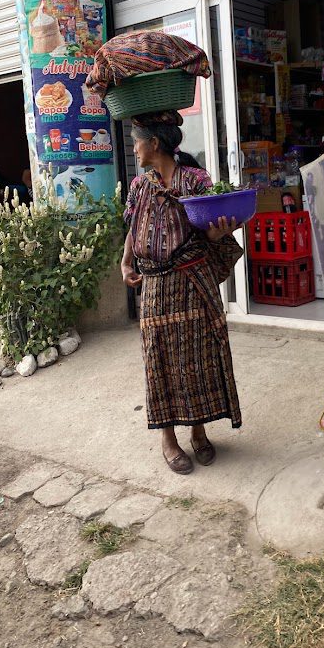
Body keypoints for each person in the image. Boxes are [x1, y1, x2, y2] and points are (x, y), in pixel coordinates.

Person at [121, 110, 243, 475]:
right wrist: (126, 263)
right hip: (157, 288)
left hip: (192, 283)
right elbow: (134, 227)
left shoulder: (195, 181)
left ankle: (199, 431)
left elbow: (208, 227)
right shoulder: (140, 186)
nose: (134, 147)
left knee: (196, 360)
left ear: (153, 143)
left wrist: (216, 234)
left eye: (136, 140)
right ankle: (168, 440)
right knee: (160, 363)